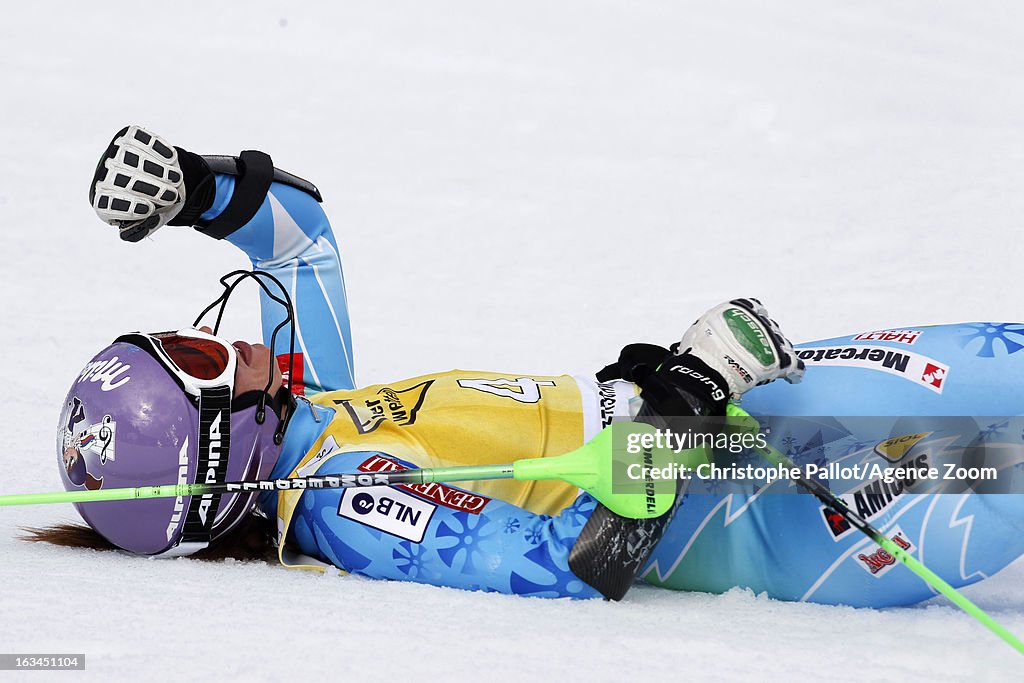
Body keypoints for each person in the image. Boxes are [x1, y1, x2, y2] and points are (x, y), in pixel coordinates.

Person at [35, 126, 1024, 608]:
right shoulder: (351, 500)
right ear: (219, 441)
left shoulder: (313, 408)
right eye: (204, 354)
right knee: (1008, 464)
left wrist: (196, 190)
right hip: (738, 519)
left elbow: (302, 250)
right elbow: (580, 563)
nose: (231, 337)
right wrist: (680, 402)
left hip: (728, 417)